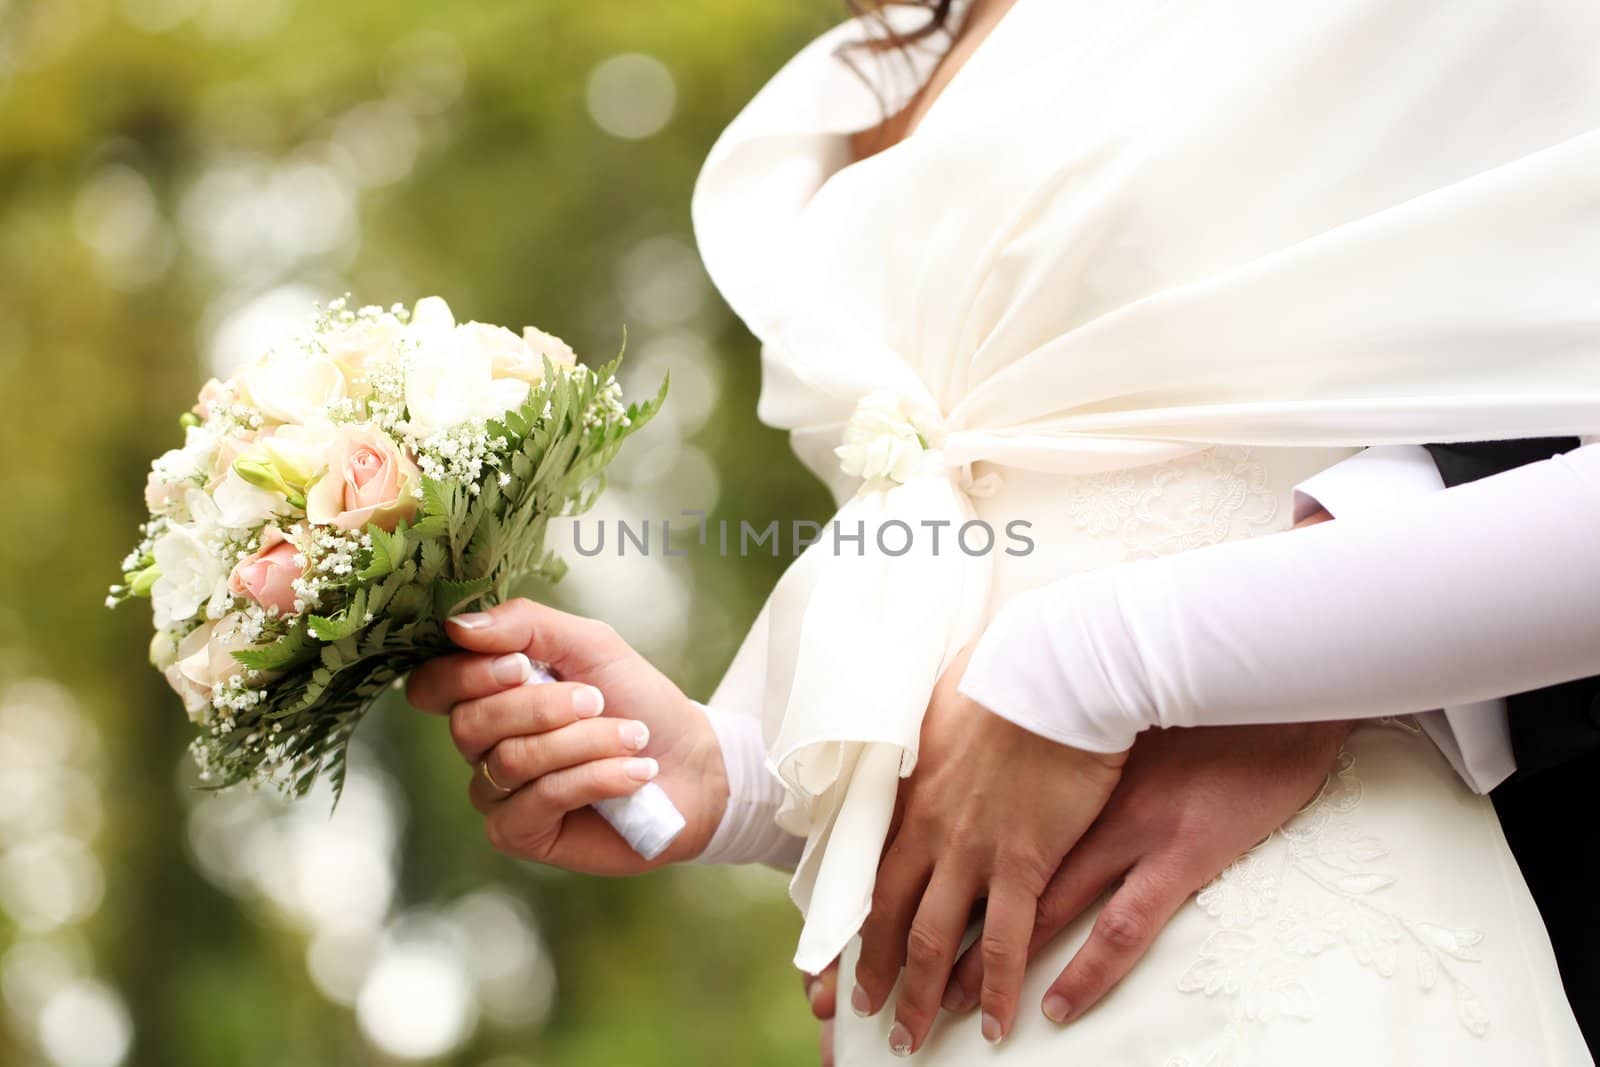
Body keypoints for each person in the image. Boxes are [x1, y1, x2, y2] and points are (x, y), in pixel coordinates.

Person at [406, 1, 1600, 1062]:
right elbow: (965, 532)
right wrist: (739, 778)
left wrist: (1099, 661)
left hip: (1283, 910)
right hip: (952, 978)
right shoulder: (881, 60)